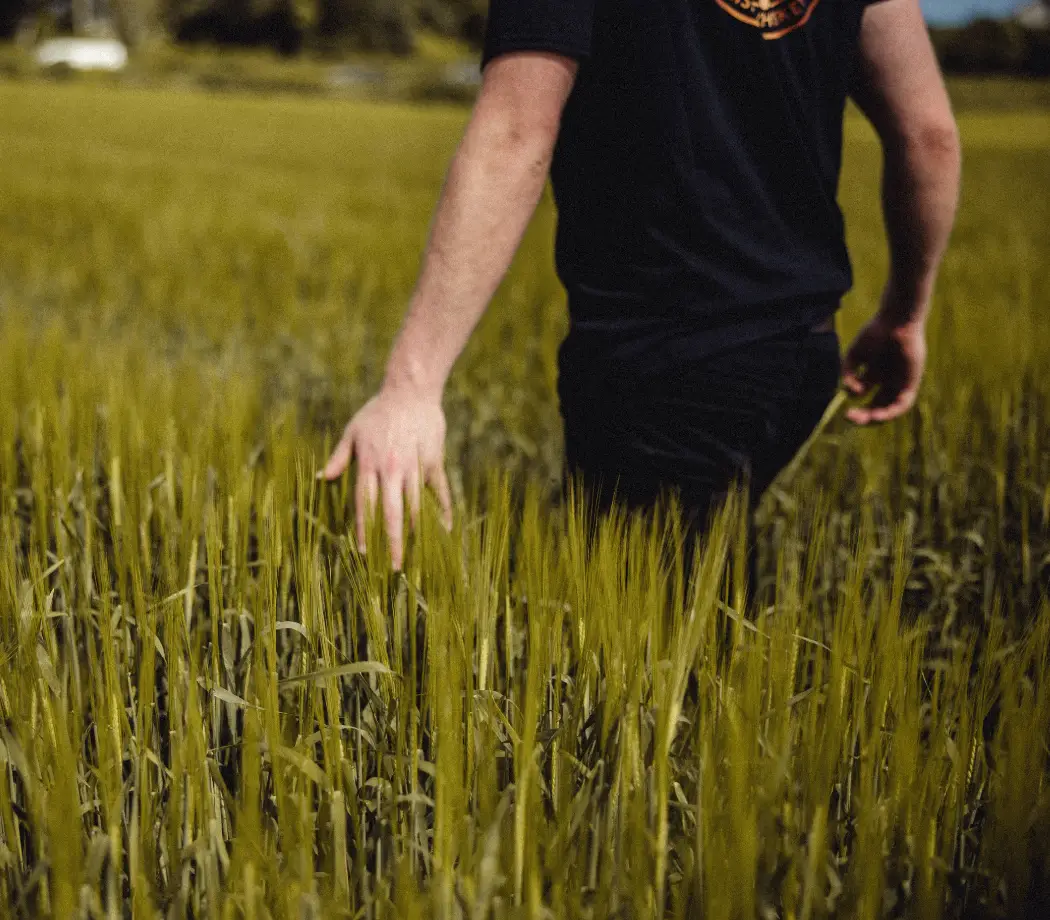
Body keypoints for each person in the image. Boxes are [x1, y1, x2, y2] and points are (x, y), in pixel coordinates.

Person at [321, 0, 962, 583]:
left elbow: (517, 130)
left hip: (660, 363)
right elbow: (929, 136)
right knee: (695, 619)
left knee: (649, 654)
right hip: (800, 355)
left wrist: (412, 384)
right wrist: (906, 311)